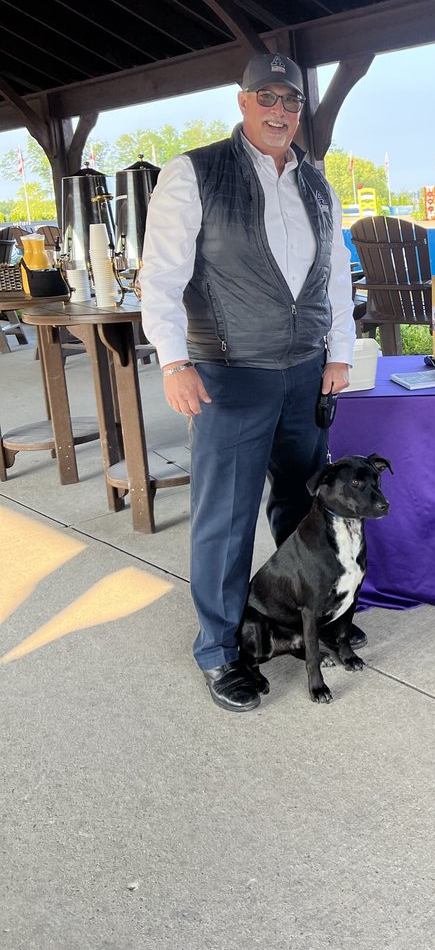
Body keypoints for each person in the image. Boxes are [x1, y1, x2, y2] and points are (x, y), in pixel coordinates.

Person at [140, 53, 357, 713]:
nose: (280, 111)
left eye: (290, 101)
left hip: (304, 373)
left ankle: (301, 619)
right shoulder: (193, 172)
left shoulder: (317, 183)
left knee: (303, 508)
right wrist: (174, 361)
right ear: (242, 102)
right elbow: (161, 276)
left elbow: (336, 275)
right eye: (267, 97)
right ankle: (218, 649)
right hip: (228, 376)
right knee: (224, 520)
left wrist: (338, 352)